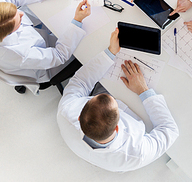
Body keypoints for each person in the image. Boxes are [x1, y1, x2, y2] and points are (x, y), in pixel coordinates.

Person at [57, 29, 179, 172]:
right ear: (117, 127)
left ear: (79, 117)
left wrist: (110, 52)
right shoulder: (135, 154)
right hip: (140, 111)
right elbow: (170, 130)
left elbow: (80, 81)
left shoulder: (66, 110)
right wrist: (143, 90)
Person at [0, 0, 91, 84]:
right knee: (88, 45)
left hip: (35, 33)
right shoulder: (21, 54)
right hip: (45, 64)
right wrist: (77, 21)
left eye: (16, 10)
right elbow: (59, 55)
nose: (21, 12)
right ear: (8, 35)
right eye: (19, 20)